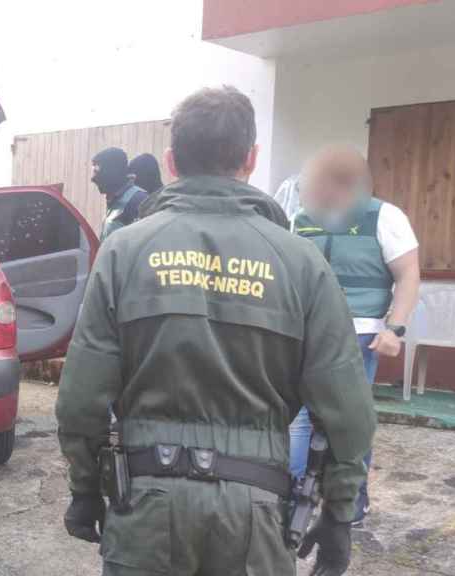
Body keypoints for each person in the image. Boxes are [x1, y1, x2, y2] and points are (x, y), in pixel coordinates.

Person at [56, 86, 375, 576]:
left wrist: (85, 488)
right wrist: (339, 511)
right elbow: (348, 411)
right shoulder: (301, 263)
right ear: (251, 158)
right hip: (256, 512)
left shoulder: (123, 253)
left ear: (171, 161)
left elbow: (80, 398)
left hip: (145, 508)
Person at [287, 145, 420, 526]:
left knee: (348, 421)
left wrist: (395, 328)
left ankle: (349, 502)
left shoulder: (384, 216)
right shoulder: (301, 219)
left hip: (359, 335)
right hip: (307, 332)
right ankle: (294, 497)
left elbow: (408, 274)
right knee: (298, 418)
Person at [92, 147, 148, 240]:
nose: (93, 179)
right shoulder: (114, 200)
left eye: (96, 171)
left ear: (111, 172)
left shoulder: (138, 201)